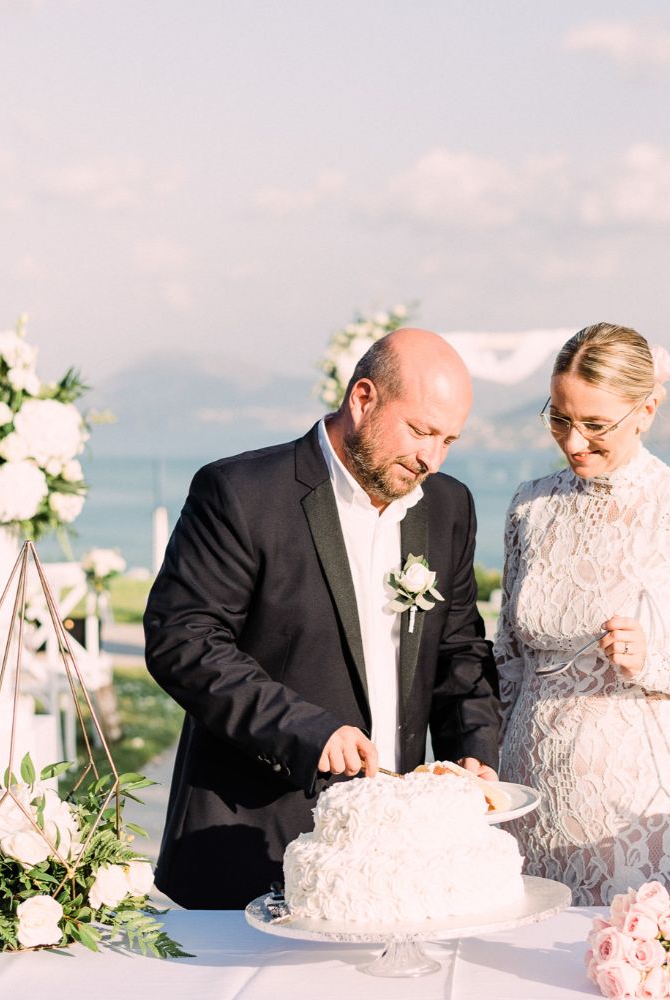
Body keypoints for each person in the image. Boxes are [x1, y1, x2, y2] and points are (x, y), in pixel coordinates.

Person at [145, 328, 501, 909]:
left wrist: (475, 755)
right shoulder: (240, 492)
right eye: (420, 430)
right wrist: (310, 732)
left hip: (390, 856)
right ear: (363, 399)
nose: (430, 459)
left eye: (448, 440)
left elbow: (459, 647)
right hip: (251, 839)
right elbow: (183, 642)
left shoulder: (448, 506)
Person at [496, 322, 670, 904]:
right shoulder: (529, 507)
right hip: (528, 784)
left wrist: (654, 660)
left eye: (595, 425)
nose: (573, 441)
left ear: (646, 411)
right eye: (560, 418)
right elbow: (509, 660)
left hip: (634, 804)